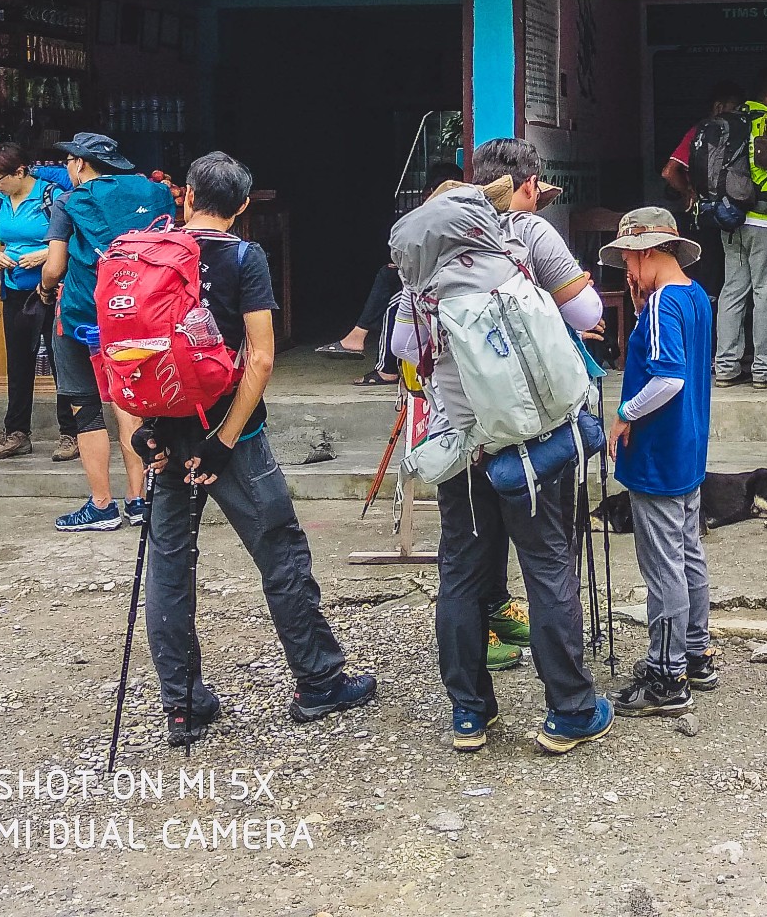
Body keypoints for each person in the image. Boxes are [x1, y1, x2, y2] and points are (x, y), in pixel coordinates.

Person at [136, 151, 376, 745]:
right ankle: (319, 680)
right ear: (243, 206)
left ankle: (182, 705)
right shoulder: (244, 258)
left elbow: (129, 353)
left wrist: (148, 427)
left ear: (187, 195)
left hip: (164, 431)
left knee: (169, 564)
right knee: (280, 549)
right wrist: (221, 442)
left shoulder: (147, 254)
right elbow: (261, 358)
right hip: (233, 433)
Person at [433, 138, 613, 757]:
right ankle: (570, 710)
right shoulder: (529, 234)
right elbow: (586, 310)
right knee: (548, 566)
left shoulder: (431, 251)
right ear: (527, 184)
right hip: (531, 439)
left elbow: (402, 347)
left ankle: (468, 714)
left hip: (461, 441)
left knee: (461, 573)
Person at [602, 207, 717, 716]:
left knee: (662, 565)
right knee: (688, 553)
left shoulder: (661, 305)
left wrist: (625, 414)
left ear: (647, 252)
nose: (627, 270)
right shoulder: (695, 296)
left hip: (656, 454)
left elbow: (667, 378)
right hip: (688, 448)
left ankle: (666, 676)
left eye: (629, 260)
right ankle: (695, 653)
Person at [37, 132, 178, 533]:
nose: (67, 167)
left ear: (80, 164)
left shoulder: (68, 201)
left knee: (85, 405)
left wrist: (45, 291)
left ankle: (102, 505)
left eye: (69, 161)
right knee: (129, 402)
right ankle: (139, 500)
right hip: (136, 314)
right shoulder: (153, 193)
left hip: (82, 316)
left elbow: (55, 266)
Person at [318, 159, 463, 380]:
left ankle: (385, 368)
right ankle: (358, 337)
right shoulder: (454, 213)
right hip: (431, 277)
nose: (425, 199)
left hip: (443, 283)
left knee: (394, 303)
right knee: (387, 275)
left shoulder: (454, 214)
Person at [713, 69, 767, 388]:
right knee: (766, 294)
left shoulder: (729, 123)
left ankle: (726, 367)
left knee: (732, 291)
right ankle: (765, 369)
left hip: (730, 220)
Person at [0, 143, 58, 461]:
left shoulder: (51, 196)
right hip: (14, 290)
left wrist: (46, 254)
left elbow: (74, 238)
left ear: (20, 171)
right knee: (19, 364)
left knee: (61, 362)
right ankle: (17, 434)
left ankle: (71, 433)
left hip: (52, 290)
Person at [661, 82, 741, 301]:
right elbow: (669, 172)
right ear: (718, 107)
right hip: (708, 216)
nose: (739, 114)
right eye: (734, 108)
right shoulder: (701, 132)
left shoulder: (721, 132)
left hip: (714, 213)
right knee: (710, 273)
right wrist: (689, 192)